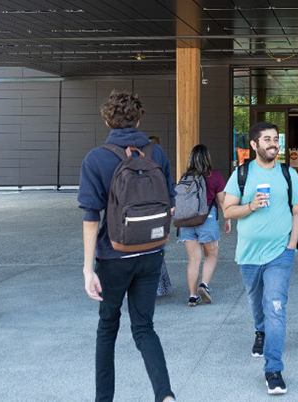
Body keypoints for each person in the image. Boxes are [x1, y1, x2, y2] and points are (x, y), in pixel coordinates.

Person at [78, 90, 177, 402]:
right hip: (152, 255)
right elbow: (170, 205)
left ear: (107, 119)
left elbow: (91, 217)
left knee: (108, 328)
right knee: (144, 328)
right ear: (139, 118)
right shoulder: (156, 154)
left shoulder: (97, 158)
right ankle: (165, 396)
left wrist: (86, 268)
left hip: (114, 257)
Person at [222, 121, 298, 395]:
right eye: (267, 139)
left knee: (276, 307)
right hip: (248, 254)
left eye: (275, 138)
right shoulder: (242, 174)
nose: (273, 143)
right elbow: (228, 211)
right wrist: (250, 206)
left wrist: (291, 245)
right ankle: (260, 331)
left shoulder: (288, 173)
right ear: (254, 145)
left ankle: (273, 369)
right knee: (257, 302)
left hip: (280, 253)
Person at [179, 144, 232, 306]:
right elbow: (222, 199)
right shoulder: (215, 175)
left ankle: (193, 295)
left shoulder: (185, 177)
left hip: (186, 222)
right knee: (211, 255)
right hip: (207, 219)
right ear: (207, 157)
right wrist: (227, 218)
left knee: (193, 259)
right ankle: (204, 284)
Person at [148, 135, 174, 298]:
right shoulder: (161, 160)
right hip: (158, 211)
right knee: (156, 249)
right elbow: (169, 186)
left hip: (146, 212)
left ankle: (154, 287)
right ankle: (160, 287)